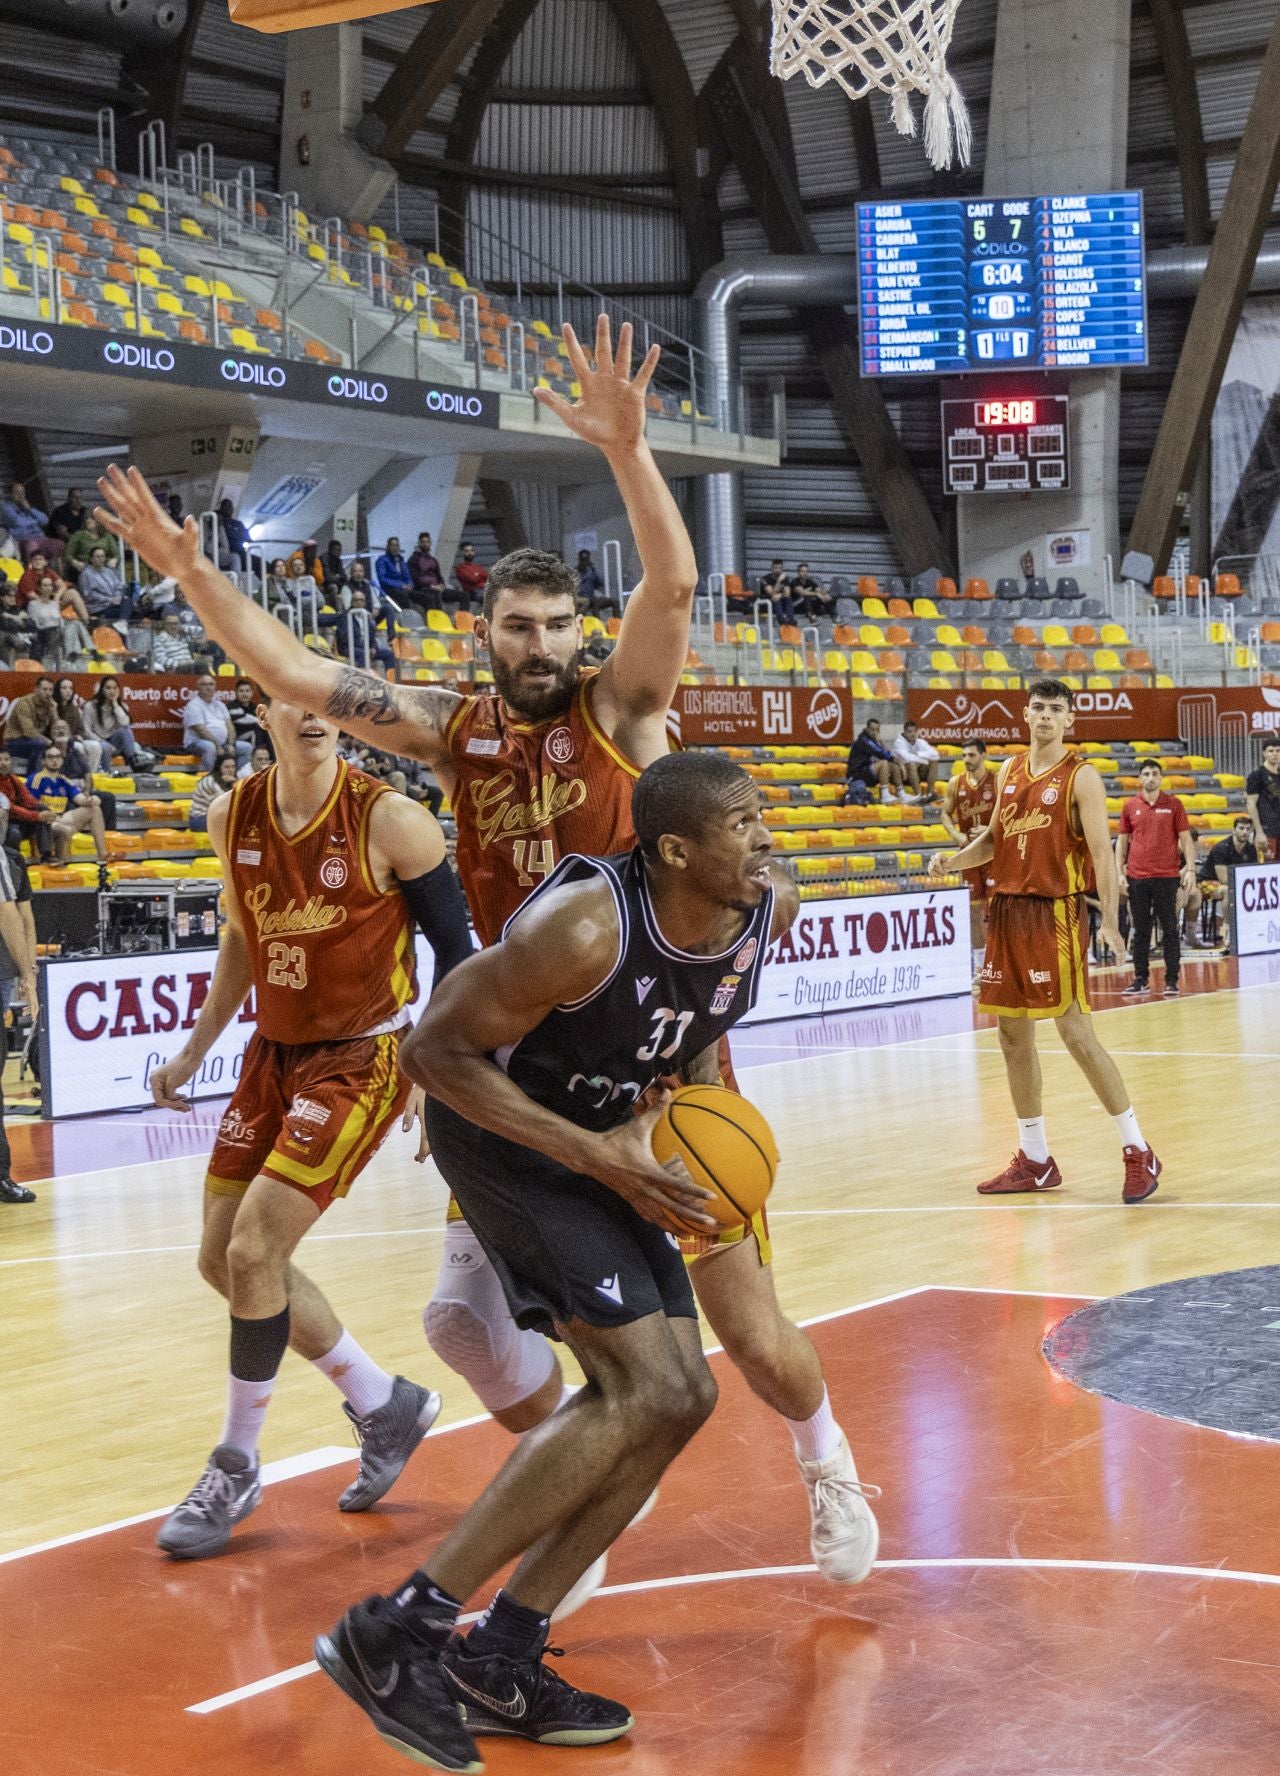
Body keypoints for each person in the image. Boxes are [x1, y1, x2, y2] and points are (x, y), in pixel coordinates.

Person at [98, 317, 856, 1601]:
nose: (543, 643)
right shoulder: (456, 739)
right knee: (458, 1324)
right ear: (487, 630)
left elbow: (668, 593)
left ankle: (826, 1461)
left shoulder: (621, 715)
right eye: (520, 624)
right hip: (522, 1072)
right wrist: (193, 575)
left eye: (561, 622)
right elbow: (289, 667)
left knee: (744, 1330)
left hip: (660, 1065)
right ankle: (584, 1478)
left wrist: (626, 451)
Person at [315, 752, 878, 1768]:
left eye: (760, 819)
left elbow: (700, 1023)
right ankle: (397, 1629)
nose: (763, 838)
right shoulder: (582, 930)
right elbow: (432, 1057)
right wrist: (599, 1159)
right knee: (635, 1385)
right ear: (673, 849)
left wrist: (689, 1129)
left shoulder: (763, 910)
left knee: (681, 1398)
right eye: (740, 823)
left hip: (617, 1144)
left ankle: (501, 1658)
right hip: (508, 1144)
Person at [147, 694, 474, 1561]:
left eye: (328, 704)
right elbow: (242, 944)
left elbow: (461, 955)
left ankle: (236, 1465)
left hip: (364, 1057)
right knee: (224, 1260)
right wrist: (191, 1055)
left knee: (255, 1253)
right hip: (272, 1054)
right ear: (260, 709)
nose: (315, 717)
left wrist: (439, 1077)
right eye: (293, 701)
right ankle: (383, 1404)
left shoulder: (391, 819)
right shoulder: (234, 813)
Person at [933, 678, 1161, 1204]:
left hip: (1054, 911)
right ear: (1026, 714)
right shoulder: (1009, 770)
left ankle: (1137, 1148)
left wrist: (1110, 920)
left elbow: (1103, 854)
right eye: (1037, 708)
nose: (1043, 717)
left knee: (1076, 1033)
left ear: (1069, 720)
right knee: (1011, 1037)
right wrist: (954, 859)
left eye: (1054, 710)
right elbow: (993, 839)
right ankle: (1035, 1158)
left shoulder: (1081, 776)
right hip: (1006, 909)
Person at [1116, 759, 1196, 998]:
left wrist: (1190, 869)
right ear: (1140, 778)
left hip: (1166, 877)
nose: (1150, 778)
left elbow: (1186, 839)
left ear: (1161, 778)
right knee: (1140, 930)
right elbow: (1121, 842)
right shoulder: (1130, 806)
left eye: (1154, 774)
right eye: (1146, 774)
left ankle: (1172, 980)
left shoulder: (1173, 804)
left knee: (1170, 929)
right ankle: (1140, 978)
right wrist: (1119, 873)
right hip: (1137, 877)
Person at [0, 845, 38, 1205]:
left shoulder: (9, 858)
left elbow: (20, 916)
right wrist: (27, 972)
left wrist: (29, 974)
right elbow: (6, 912)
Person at [941, 737, 997, 971]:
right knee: (974, 910)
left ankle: (1001, 961)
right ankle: (980, 965)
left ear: (983, 755)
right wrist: (956, 836)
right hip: (968, 854)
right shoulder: (956, 782)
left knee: (998, 909)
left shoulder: (996, 780)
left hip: (993, 853)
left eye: (971, 755)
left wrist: (990, 828)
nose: (966, 760)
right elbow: (945, 813)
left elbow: (1009, 811)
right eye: (964, 755)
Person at [27, 742, 107, 864]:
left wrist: (91, 800)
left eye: (58, 757)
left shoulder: (65, 780)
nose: (54, 760)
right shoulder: (36, 779)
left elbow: (80, 799)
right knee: (63, 829)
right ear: (43, 761)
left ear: (62, 760)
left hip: (60, 819)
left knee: (94, 808)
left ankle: (103, 855)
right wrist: (52, 818)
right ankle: (58, 863)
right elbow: (32, 806)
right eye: (50, 757)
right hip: (44, 823)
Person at [1200, 816, 1262, 947]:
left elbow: (1252, 875)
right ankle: (1228, 930)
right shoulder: (1221, 848)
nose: (1244, 832)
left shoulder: (1251, 849)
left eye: (1247, 829)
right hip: (1206, 883)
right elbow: (1223, 879)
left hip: (1235, 884)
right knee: (1229, 890)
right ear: (1234, 830)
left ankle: (1254, 930)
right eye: (1241, 828)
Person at [26, 572, 94, 663]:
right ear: (39, 588)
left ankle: (89, 650)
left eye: (50, 585)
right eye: (45, 585)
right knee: (66, 628)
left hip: (58, 631)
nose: (48, 588)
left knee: (75, 623)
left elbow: (59, 620)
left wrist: (60, 624)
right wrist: (52, 623)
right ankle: (74, 652)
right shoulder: (33, 604)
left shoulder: (54, 604)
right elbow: (35, 624)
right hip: (45, 633)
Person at [83, 675, 149, 769]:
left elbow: (125, 724)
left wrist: (115, 704)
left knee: (125, 730)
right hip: (97, 742)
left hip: (115, 742)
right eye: (108, 688)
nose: (112, 691)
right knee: (105, 747)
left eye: (115, 688)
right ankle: (106, 772)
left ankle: (133, 760)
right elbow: (86, 731)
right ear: (102, 690)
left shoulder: (121, 706)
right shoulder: (90, 706)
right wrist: (101, 741)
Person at [0, 745, 53, 854]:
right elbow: (10, 808)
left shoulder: (13, 779)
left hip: (16, 818)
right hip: (4, 822)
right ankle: (15, 861)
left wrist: (43, 810)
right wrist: (36, 816)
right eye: (0, 760)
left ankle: (46, 855)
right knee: (15, 833)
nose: (4, 763)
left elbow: (27, 798)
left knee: (43, 811)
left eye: (6, 759)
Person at [844, 718, 902, 805]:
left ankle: (901, 793)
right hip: (856, 776)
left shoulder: (873, 741)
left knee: (892, 766)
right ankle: (885, 796)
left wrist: (881, 742)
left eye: (877, 730)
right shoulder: (864, 740)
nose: (874, 732)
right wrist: (897, 761)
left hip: (866, 774)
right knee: (884, 763)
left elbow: (884, 752)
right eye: (872, 729)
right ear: (867, 729)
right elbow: (881, 753)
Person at [181, 675, 233, 772]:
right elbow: (201, 730)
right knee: (209, 747)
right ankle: (210, 778)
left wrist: (231, 744)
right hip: (196, 742)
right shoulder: (193, 705)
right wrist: (217, 746)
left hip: (222, 743)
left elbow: (230, 726)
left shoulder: (220, 705)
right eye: (204, 684)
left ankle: (239, 781)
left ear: (215, 687)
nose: (208, 687)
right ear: (198, 687)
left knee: (245, 747)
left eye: (211, 684)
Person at [4, 674, 56, 770]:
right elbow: (29, 732)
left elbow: (57, 728)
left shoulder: (50, 704)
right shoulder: (24, 703)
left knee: (65, 742)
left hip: (34, 740)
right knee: (39, 744)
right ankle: (32, 778)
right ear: (36, 690)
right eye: (44, 689)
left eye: (50, 690)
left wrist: (54, 712)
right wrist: (46, 739)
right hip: (14, 742)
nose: (48, 693)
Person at [1246, 738, 1280, 862]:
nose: (1275, 754)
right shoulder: (1257, 775)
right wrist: (1259, 832)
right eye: (1271, 751)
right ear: (1264, 753)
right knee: (1268, 870)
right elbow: (1250, 804)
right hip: (1267, 831)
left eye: (1278, 751)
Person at [0, 481, 56, 557]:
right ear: (10, 494)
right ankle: (31, 568)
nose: (21, 496)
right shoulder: (5, 507)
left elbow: (45, 521)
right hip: (22, 540)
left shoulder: (28, 507)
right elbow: (17, 522)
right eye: (17, 492)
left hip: (40, 537)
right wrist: (34, 521)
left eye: (22, 493)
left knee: (59, 545)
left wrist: (30, 509)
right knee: (32, 545)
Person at [187, 752, 238, 832]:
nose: (231, 770)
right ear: (219, 768)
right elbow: (227, 804)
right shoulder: (211, 781)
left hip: (211, 816)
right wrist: (236, 783)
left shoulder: (226, 781)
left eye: (233, 767)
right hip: (199, 819)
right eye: (227, 767)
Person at [77, 545, 128, 625]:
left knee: (129, 602)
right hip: (98, 607)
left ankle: (122, 623)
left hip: (114, 604)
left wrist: (117, 597)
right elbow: (88, 595)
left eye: (102, 556)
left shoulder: (109, 571)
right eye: (97, 556)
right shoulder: (85, 574)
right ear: (91, 559)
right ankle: (122, 622)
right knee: (128, 611)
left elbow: (119, 586)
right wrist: (110, 600)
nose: (100, 559)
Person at [892, 720, 940, 799]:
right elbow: (907, 758)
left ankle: (930, 793)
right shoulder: (898, 743)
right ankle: (919, 795)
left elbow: (936, 755)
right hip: (903, 775)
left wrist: (919, 755)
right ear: (904, 732)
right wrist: (923, 760)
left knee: (934, 762)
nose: (912, 734)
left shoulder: (920, 742)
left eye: (914, 731)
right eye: (909, 732)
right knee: (911, 764)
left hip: (918, 773)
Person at [63, 513, 120, 580]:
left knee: (116, 573)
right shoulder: (79, 535)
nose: (88, 520)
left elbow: (116, 554)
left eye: (92, 519)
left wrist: (114, 560)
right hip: (84, 568)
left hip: (103, 568)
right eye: (87, 518)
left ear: (99, 522)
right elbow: (68, 554)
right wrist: (75, 563)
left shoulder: (107, 536)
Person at [226, 677, 262, 766]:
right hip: (236, 738)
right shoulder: (231, 706)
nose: (244, 694)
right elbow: (244, 719)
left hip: (250, 737)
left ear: (252, 693)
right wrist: (260, 721)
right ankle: (256, 759)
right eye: (241, 691)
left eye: (247, 691)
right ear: (236, 693)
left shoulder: (255, 707)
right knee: (257, 729)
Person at [408, 531, 446, 610]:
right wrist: (431, 586)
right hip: (423, 588)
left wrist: (442, 585)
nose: (425, 544)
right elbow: (415, 579)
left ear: (430, 543)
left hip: (437, 587)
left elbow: (439, 575)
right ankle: (436, 620)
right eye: (423, 542)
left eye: (427, 542)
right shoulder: (414, 559)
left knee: (463, 595)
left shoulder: (433, 560)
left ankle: (464, 621)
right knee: (435, 594)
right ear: (419, 543)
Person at [375, 537, 413, 609]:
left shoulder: (401, 561)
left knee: (422, 595)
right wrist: (400, 585)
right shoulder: (382, 561)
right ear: (388, 547)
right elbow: (382, 579)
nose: (395, 548)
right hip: (389, 589)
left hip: (403, 588)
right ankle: (407, 617)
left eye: (397, 545)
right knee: (403, 595)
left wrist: (410, 585)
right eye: (392, 545)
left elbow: (407, 577)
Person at [758, 558, 795, 626]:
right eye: (775, 568)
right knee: (776, 599)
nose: (777, 570)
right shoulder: (765, 579)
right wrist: (779, 581)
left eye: (780, 568)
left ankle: (789, 620)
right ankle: (782, 621)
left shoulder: (785, 579)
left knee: (788, 599)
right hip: (766, 603)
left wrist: (780, 595)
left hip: (779, 604)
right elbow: (771, 593)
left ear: (782, 569)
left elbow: (788, 594)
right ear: (771, 569)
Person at [453, 541, 489, 610]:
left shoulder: (477, 567)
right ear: (462, 553)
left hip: (485, 589)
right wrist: (479, 575)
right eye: (467, 551)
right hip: (473, 592)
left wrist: (477, 574)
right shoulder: (460, 568)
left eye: (471, 550)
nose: (470, 553)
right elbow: (472, 579)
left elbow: (487, 577)